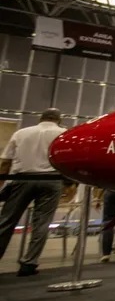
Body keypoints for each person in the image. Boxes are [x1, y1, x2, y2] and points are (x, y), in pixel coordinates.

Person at [0, 109, 68, 276]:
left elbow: (5, 161)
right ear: (58, 120)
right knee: (42, 223)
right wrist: (69, 186)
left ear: (40, 117)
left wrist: (1, 183)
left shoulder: (21, 133)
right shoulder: (64, 134)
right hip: (51, 181)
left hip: (23, 178)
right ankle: (29, 263)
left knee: (7, 220)